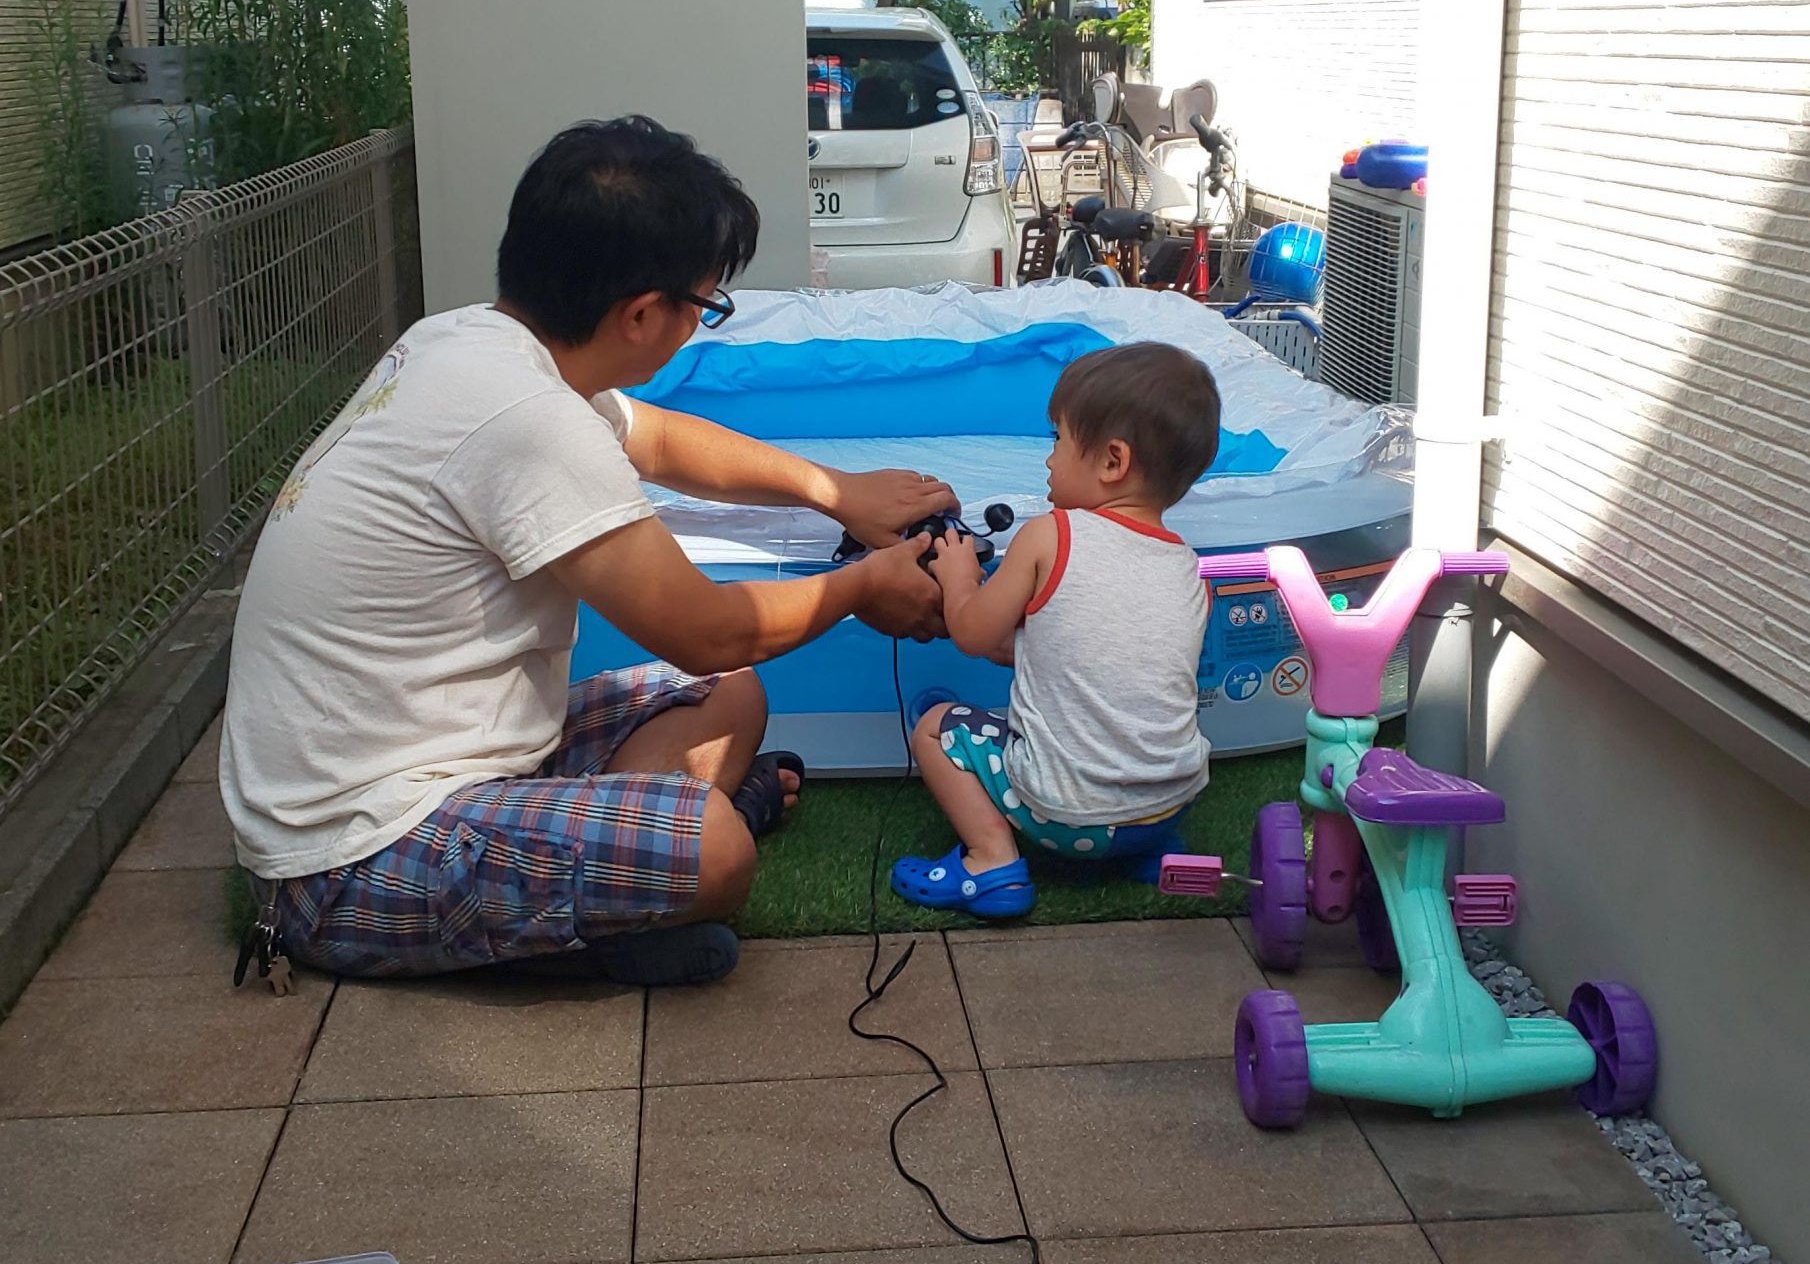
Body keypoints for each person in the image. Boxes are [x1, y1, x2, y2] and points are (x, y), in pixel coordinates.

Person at [221, 116, 950, 989]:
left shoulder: (467, 342)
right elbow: (705, 629)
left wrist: (836, 489)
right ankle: (629, 896)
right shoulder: (527, 423)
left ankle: (620, 877)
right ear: (641, 314)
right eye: (704, 305)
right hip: (350, 854)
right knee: (716, 848)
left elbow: (662, 441)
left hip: (459, 756)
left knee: (732, 695)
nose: (701, 323)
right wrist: (860, 586)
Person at [890, 341, 1219, 922]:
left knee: (937, 727)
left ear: (1112, 461)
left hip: (1068, 818)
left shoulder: (1052, 534)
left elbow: (971, 634)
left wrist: (959, 576)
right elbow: (1096, 658)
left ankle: (991, 862)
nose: (1047, 459)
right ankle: (1146, 852)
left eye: (1057, 439)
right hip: (1170, 806)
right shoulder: (1187, 567)